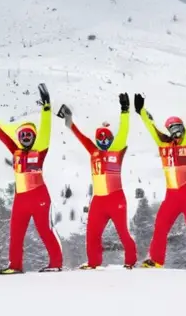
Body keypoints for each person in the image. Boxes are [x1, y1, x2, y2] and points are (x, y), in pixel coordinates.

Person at [0, 83, 63, 274]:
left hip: (39, 196)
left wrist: (46, 107)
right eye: (23, 135)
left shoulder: (40, 149)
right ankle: (15, 265)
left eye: (29, 135)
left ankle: (56, 263)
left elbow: (45, 128)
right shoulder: (15, 151)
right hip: (21, 199)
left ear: (34, 137)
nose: (26, 137)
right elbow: (1, 134)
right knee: (15, 234)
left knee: (45, 230)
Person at [134, 85, 186, 269]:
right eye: (172, 128)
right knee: (160, 226)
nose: (176, 131)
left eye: (179, 127)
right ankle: (155, 260)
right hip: (172, 195)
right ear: (169, 130)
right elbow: (151, 128)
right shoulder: (163, 144)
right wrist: (141, 112)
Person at [57, 93, 137, 269]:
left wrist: (125, 110)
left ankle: (130, 262)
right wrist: (69, 122)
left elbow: (124, 130)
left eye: (105, 138)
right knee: (92, 234)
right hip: (99, 200)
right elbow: (81, 137)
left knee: (123, 232)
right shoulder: (93, 150)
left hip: (116, 198)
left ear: (111, 139)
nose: (102, 141)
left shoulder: (117, 149)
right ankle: (94, 262)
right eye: (99, 138)